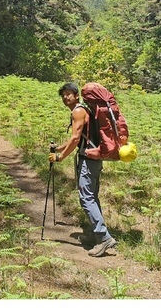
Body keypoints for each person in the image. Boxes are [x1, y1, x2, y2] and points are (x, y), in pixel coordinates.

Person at [49, 81, 117, 257]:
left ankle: (103, 238)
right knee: (92, 196)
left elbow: (75, 138)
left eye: (69, 93)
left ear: (76, 95)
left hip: (88, 159)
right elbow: (79, 139)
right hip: (94, 158)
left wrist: (60, 157)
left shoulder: (78, 111)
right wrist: (59, 148)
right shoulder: (84, 109)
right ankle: (96, 234)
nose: (65, 97)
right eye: (63, 94)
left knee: (86, 198)